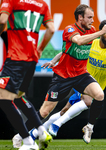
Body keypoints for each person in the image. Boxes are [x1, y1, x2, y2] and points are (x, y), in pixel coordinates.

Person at [12, 3, 106, 147]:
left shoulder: (92, 30)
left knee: (99, 95)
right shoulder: (70, 29)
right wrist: (102, 32)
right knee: (44, 112)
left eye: (93, 18)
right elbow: (78, 41)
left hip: (81, 74)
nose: (92, 20)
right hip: (63, 77)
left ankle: (89, 127)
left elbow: (67, 49)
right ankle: (21, 135)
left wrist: (54, 59)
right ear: (80, 17)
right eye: (89, 17)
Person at [24, 19, 106, 144]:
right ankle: (57, 125)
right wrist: (53, 61)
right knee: (87, 102)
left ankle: (34, 133)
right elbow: (66, 51)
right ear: (101, 32)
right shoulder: (91, 42)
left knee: (65, 111)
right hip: (83, 81)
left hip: (96, 87)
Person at [0, 0, 55, 149]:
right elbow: (51, 29)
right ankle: (41, 131)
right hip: (31, 60)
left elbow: (2, 20)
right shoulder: (41, 4)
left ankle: (28, 141)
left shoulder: (11, 0)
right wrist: (41, 49)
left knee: (3, 99)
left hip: (16, 58)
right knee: (17, 97)